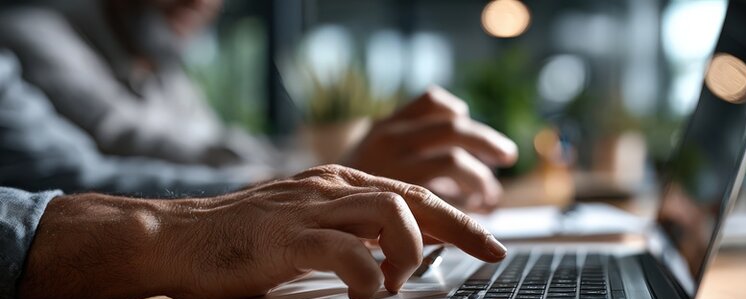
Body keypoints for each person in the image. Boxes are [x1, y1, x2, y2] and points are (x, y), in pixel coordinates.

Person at [0, 50, 508, 299]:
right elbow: (110, 156)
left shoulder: (167, 60)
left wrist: (291, 194)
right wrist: (170, 234)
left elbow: (75, 174)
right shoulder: (40, 31)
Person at [0, 0, 516, 210]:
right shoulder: (35, 33)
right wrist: (324, 177)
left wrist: (333, 174)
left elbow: (219, 146)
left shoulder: (168, 73)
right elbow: (121, 142)